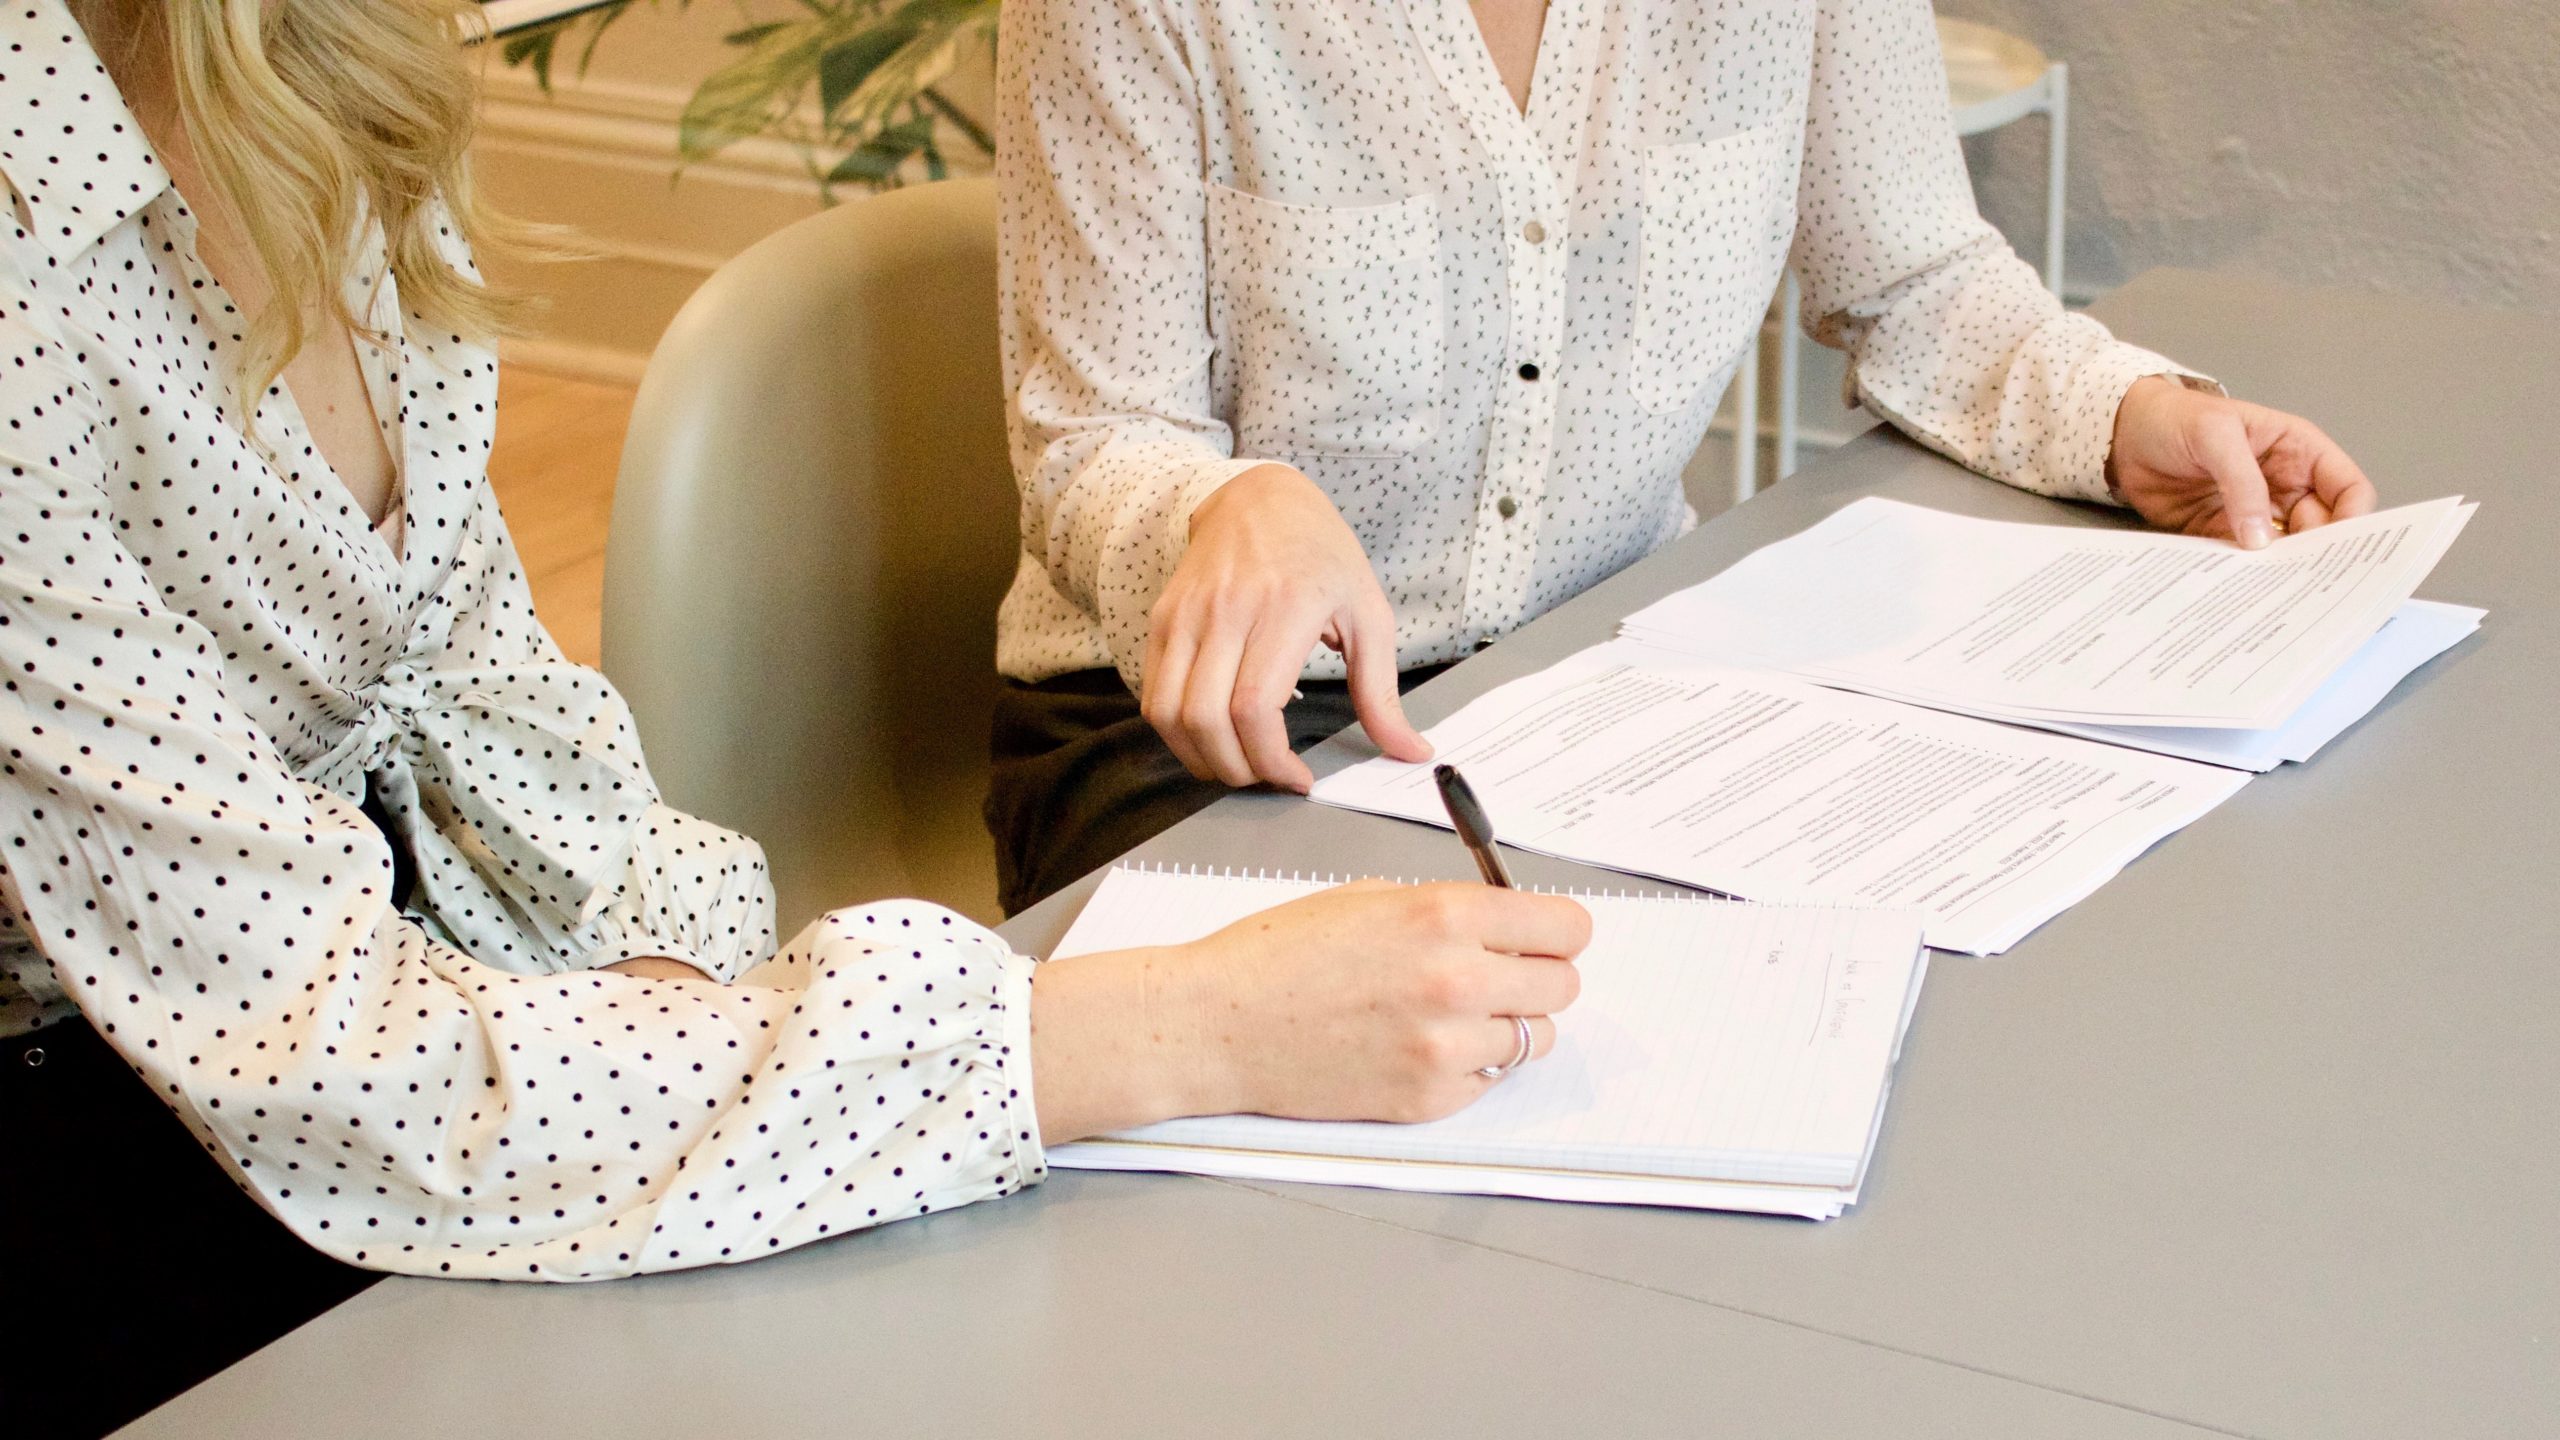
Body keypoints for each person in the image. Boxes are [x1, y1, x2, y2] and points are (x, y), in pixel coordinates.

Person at [0, 3, 1588, 1435]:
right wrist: (1188, 1030)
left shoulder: (329, 73)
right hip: (136, 1117)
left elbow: (487, 700)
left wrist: (675, 993)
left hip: (403, 1003)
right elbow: (342, 1061)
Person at [984, 0, 2383, 915]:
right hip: (1202, 733)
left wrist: (2129, 416)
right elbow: (1093, 436)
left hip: (1598, 689)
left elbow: (1913, 274)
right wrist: (1226, 507)